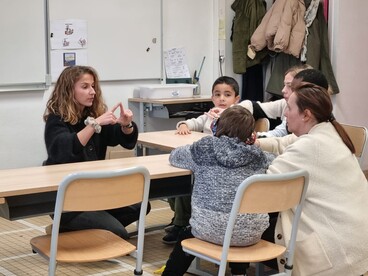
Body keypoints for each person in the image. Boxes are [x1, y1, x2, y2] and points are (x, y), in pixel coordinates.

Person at [257, 79, 368, 275]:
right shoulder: (330, 131)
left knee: (240, 231)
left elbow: (264, 187)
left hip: (336, 254)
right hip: (356, 246)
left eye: (289, 108)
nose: (285, 113)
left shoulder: (310, 146)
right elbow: (284, 143)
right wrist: (256, 143)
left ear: (306, 115)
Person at [162, 105, 275, 276]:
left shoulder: (204, 149)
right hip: (251, 235)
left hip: (208, 231)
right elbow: (274, 159)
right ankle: (239, 272)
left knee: (186, 233)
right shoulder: (258, 156)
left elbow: (175, 156)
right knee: (239, 225)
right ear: (251, 136)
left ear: (215, 128)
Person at [43, 65, 150, 239]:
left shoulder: (92, 114)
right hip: (70, 202)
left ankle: (75, 229)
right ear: (69, 90)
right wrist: (94, 125)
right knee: (119, 233)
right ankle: (67, 226)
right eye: (85, 87)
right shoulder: (57, 119)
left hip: (96, 193)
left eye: (93, 86)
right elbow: (64, 150)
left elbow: (124, 140)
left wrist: (126, 124)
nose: (92, 91)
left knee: (141, 205)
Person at [163, 76, 241, 244]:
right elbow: (192, 122)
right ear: (212, 97)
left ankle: (182, 223)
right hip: (203, 162)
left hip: (218, 169)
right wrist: (183, 125)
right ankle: (180, 218)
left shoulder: (238, 118)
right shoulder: (209, 115)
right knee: (174, 179)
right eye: (217, 94)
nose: (221, 98)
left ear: (236, 99)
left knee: (187, 184)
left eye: (227, 95)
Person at [239, 64, 312, 137]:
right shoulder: (285, 103)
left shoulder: (312, 113)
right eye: (284, 85)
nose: (283, 90)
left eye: (289, 86)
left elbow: (288, 140)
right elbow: (254, 107)